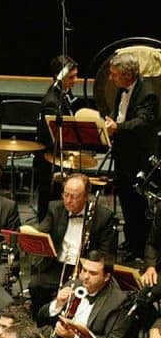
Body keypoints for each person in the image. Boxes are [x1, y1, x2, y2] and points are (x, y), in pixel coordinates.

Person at [22, 174, 117, 314]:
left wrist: (86, 268)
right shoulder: (55, 208)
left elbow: (105, 252)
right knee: (36, 285)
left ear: (86, 196)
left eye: (74, 196)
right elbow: (43, 232)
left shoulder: (103, 216)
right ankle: (41, 321)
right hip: (57, 265)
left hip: (84, 269)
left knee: (73, 293)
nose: (68, 200)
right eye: (65, 195)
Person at [103, 52, 160, 257]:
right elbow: (121, 113)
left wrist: (117, 127)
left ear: (128, 75)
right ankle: (130, 241)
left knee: (137, 204)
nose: (111, 78)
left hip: (138, 158)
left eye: (114, 74)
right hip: (123, 155)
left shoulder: (148, 93)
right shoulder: (122, 90)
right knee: (125, 201)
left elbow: (142, 123)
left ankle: (140, 248)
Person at [32, 54, 80, 221]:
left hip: (57, 156)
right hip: (49, 160)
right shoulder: (53, 101)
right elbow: (52, 136)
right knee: (49, 203)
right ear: (59, 76)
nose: (75, 80)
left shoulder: (63, 93)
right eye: (71, 77)